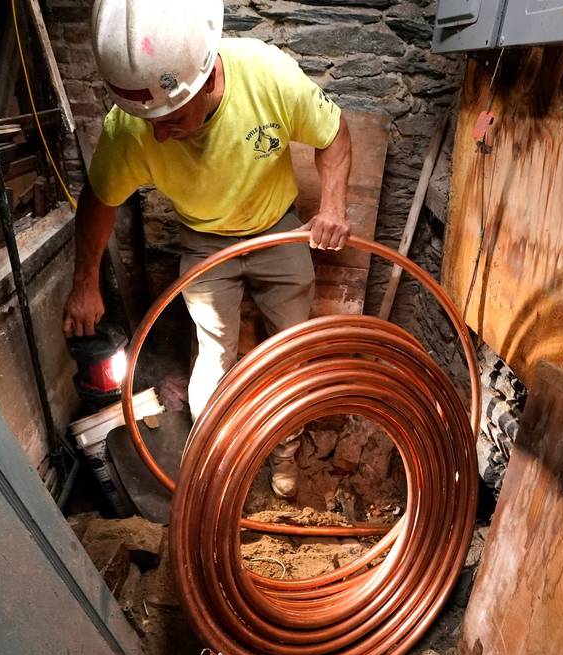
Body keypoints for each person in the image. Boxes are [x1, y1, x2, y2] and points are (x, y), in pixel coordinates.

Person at [61, 0, 353, 498]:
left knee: (292, 348)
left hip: (275, 228)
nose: (156, 132)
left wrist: (333, 206)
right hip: (203, 239)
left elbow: (334, 133)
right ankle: (215, 460)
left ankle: (285, 452)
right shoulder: (132, 125)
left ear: (207, 78)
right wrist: (84, 282)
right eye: (145, 117)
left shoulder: (266, 75)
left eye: (170, 117)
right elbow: (99, 200)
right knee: (215, 352)